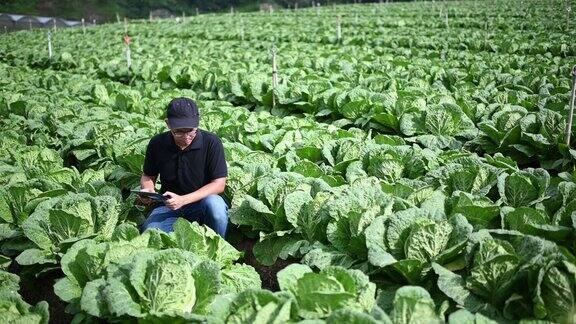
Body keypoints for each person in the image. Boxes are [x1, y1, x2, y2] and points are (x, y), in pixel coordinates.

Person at [138, 97, 228, 237]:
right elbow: (148, 175)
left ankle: (218, 248)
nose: (186, 137)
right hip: (168, 206)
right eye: (179, 131)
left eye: (191, 131)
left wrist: (183, 200)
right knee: (151, 233)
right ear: (168, 124)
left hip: (202, 205)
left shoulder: (212, 142)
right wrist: (148, 189)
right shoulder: (157, 143)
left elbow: (219, 184)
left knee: (215, 206)